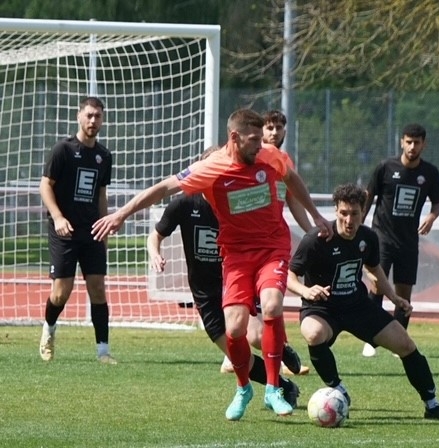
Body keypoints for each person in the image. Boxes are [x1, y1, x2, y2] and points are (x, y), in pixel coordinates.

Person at [92, 108, 333, 421]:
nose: (260, 144)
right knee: (234, 327)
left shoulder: (270, 156)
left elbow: (291, 178)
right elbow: (163, 188)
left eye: (260, 138)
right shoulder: (211, 168)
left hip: (272, 246)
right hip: (236, 254)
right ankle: (244, 388)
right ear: (234, 137)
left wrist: (315, 214)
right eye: (253, 139)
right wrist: (121, 214)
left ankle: (273, 388)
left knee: (272, 305)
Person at [287, 183, 439, 420]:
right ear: (336, 211)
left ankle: (432, 405)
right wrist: (306, 291)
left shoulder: (367, 237)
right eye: (343, 213)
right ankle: (338, 389)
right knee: (313, 333)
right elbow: (289, 276)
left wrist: (394, 297)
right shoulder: (316, 239)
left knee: (405, 344)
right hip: (322, 307)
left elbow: (374, 269)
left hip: (357, 306)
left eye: (354, 213)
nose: (349, 220)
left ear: (363, 212)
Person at [147, 147, 300, 407]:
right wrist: (154, 253)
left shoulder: (235, 203)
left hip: (237, 281)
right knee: (238, 356)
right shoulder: (184, 203)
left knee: (255, 337)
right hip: (205, 294)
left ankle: (280, 354)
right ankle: (285, 387)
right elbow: (156, 235)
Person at [219, 110, 312, 376]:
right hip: (243, 245)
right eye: (268, 128)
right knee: (245, 308)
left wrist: (311, 231)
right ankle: (238, 355)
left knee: (271, 303)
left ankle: (278, 356)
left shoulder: (282, 160)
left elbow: (293, 199)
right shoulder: (243, 160)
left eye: (278, 128)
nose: (273, 133)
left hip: (271, 242)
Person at [38, 96, 117, 365]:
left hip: (92, 230)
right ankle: (48, 331)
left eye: (98, 116)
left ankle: (103, 352)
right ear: (79, 116)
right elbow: (45, 185)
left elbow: (101, 195)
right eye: (89, 115)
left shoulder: (104, 156)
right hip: (65, 231)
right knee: (61, 291)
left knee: (98, 288)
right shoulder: (63, 150)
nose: (93, 120)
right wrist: (58, 217)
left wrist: (105, 226)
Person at [361, 123, 439, 357]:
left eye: (417, 142)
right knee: (377, 286)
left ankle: (399, 340)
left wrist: (431, 217)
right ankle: (371, 338)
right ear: (401, 142)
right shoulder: (386, 168)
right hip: (382, 237)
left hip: (408, 242)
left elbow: (437, 203)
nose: (412, 147)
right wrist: (360, 226)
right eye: (408, 142)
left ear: (424, 144)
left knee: (404, 293)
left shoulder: (430, 173)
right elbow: (369, 196)